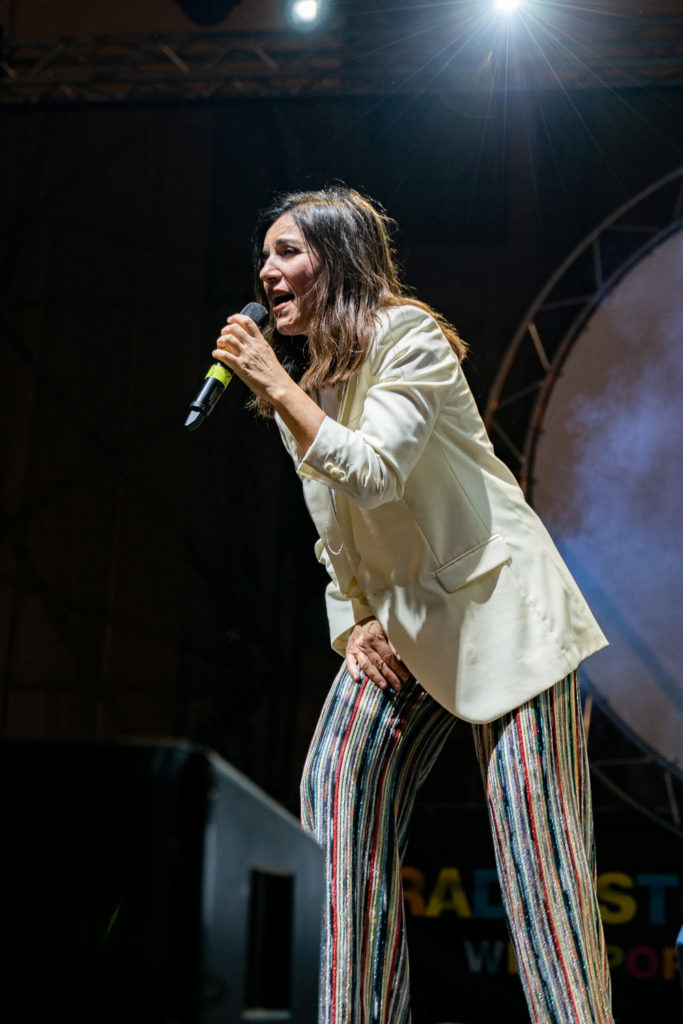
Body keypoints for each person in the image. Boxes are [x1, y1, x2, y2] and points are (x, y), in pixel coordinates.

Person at [211, 185, 614, 1024]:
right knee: (336, 783)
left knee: (537, 854)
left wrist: (274, 385)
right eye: (263, 255)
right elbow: (334, 528)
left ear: (339, 258)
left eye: (288, 251)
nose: (266, 270)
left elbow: (372, 471)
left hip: (498, 611)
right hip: (398, 624)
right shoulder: (308, 382)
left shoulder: (409, 336)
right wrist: (353, 619)